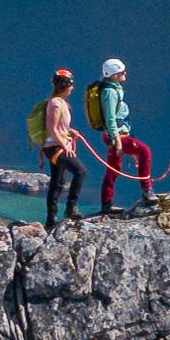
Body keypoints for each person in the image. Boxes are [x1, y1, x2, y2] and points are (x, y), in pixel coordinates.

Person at [85, 58, 154, 212]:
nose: (125, 74)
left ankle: (106, 203)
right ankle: (147, 190)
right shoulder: (110, 92)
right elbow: (110, 118)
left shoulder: (111, 89)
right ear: (114, 75)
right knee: (144, 151)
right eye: (122, 72)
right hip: (115, 135)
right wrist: (117, 140)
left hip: (116, 135)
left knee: (114, 167)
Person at [34, 64, 84, 228]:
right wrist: (65, 144)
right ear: (67, 86)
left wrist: (70, 131)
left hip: (54, 146)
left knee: (58, 181)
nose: (72, 88)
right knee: (80, 171)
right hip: (56, 147)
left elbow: (58, 127)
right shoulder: (56, 103)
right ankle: (70, 208)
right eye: (71, 84)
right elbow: (52, 128)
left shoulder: (60, 102)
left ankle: (51, 219)